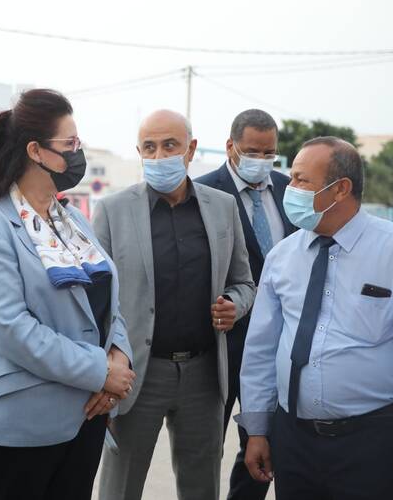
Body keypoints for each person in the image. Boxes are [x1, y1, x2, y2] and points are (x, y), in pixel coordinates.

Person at [239, 136, 393, 500]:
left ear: (340, 189)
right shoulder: (282, 256)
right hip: (293, 440)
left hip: (373, 442)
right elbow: (261, 349)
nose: (289, 188)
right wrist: (258, 429)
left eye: (301, 180)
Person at [0, 89, 135, 500]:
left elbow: (108, 302)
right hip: (25, 423)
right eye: (69, 143)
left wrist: (120, 357)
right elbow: (10, 328)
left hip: (87, 415)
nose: (77, 152)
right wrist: (99, 370)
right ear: (35, 150)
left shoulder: (70, 218)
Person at [94, 110, 256, 500]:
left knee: (201, 487)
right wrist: (103, 369)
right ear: (139, 152)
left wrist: (234, 305)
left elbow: (245, 283)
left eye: (170, 145)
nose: (159, 155)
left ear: (191, 149)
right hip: (137, 373)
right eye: (149, 147)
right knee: (120, 486)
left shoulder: (222, 207)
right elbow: (95, 300)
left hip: (204, 374)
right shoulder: (113, 211)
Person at [194, 109, 295, 500]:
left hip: (279, 343)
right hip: (222, 342)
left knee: (263, 445)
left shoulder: (290, 190)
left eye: (269, 153)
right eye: (252, 152)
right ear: (230, 147)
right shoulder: (203, 192)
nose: (261, 161)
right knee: (206, 447)